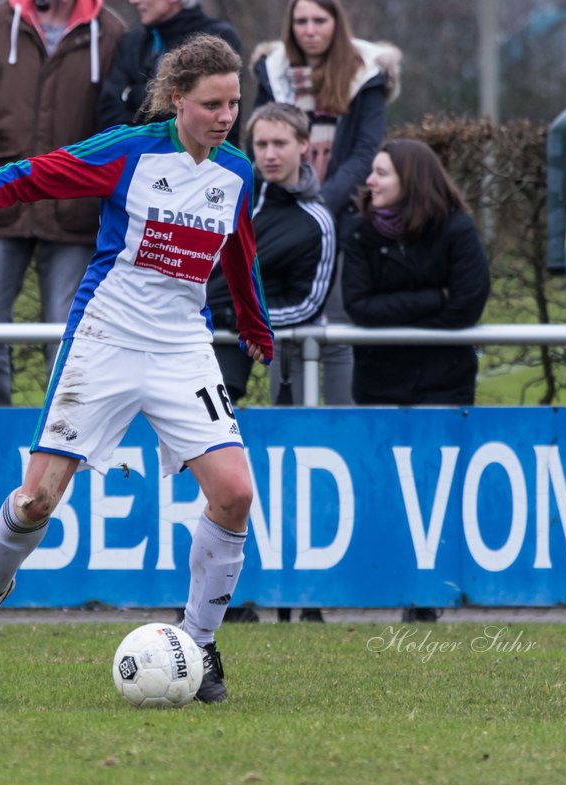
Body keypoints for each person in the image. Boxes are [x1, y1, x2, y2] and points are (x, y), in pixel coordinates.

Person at [0, 35, 274, 703]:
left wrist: (256, 328)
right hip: (107, 339)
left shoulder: (235, 172)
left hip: (182, 348)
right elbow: (34, 172)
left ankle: (199, 647)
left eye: (234, 103)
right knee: (35, 502)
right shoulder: (130, 150)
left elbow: (240, 255)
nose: (226, 116)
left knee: (234, 492)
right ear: (178, 100)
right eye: (212, 104)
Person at [0, 0, 125, 405]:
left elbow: (121, 112)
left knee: (67, 328)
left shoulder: (109, 30)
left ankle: (63, 432)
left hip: (75, 210)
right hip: (1, 207)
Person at [342, 139, 490, 623]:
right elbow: (360, 308)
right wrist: (432, 298)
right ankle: (389, 584)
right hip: (379, 381)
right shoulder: (361, 233)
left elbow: (466, 305)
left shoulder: (457, 230)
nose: (370, 181)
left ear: (411, 177)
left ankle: (426, 595)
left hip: (442, 382)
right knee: (385, 486)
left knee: (435, 488)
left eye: (381, 173)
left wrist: (402, 315)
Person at [252, 0, 402, 405]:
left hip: (342, 216)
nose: (310, 30)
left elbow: (365, 151)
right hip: (279, 213)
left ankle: (337, 423)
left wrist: (317, 207)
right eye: (301, 21)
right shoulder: (273, 71)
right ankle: (290, 420)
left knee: (334, 331)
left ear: (337, 24)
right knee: (284, 328)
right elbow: (258, 139)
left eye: (320, 20)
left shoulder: (366, 74)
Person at [207, 103, 334, 407]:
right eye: (261, 145)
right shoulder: (223, 191)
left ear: (304, 144)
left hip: (232, 352)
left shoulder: (316, 221)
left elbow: (307, 304)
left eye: (280, 143)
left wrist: (240, 317)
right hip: (176, 331)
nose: (269, 155)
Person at [97, 0, 241, 132]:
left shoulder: (217, 38)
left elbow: (201, 112)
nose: (134, 1)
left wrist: (133, 95)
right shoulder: (131, 42)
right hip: (132, 157)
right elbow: (108, 114)